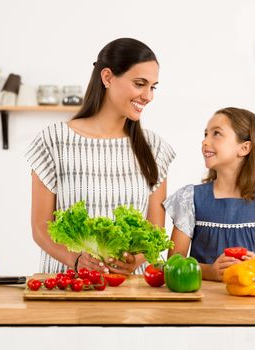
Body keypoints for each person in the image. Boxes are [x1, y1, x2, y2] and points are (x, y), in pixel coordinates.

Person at [26, 38, 175, 275]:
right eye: (140, 84)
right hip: (70, 286)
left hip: (130, 291)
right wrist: (75, 259)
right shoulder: (53, 140)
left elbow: (154, 229)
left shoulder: (154, 148)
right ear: (107, 77)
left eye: (153, 87)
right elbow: (40, 226)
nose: (148, 96)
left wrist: (134, 259)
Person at [164, 107, 255, 281]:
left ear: (244, 148)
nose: (205, 141)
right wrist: (209, 271)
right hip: (203, 302)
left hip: (252, 301)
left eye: (216, 134)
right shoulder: (190, 198)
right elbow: (174, 262)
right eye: (205, 134)